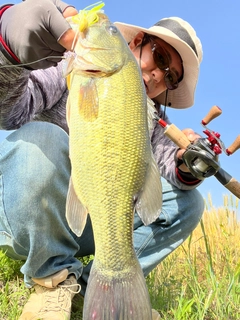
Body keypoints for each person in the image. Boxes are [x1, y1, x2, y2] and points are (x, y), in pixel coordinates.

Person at [0, 0, 205, 319]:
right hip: (31, 215)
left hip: (93, 221)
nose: (157, 76)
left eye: (171, 78)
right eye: (161, 57)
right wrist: (9, 53)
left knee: (190, 203)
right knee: (39, 138)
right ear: (136, 42)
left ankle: (98, 282)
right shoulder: (69, 67)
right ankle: (51, 281)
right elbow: (9, 113)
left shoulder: (150, 117)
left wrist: (189, 160)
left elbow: (174, 171)